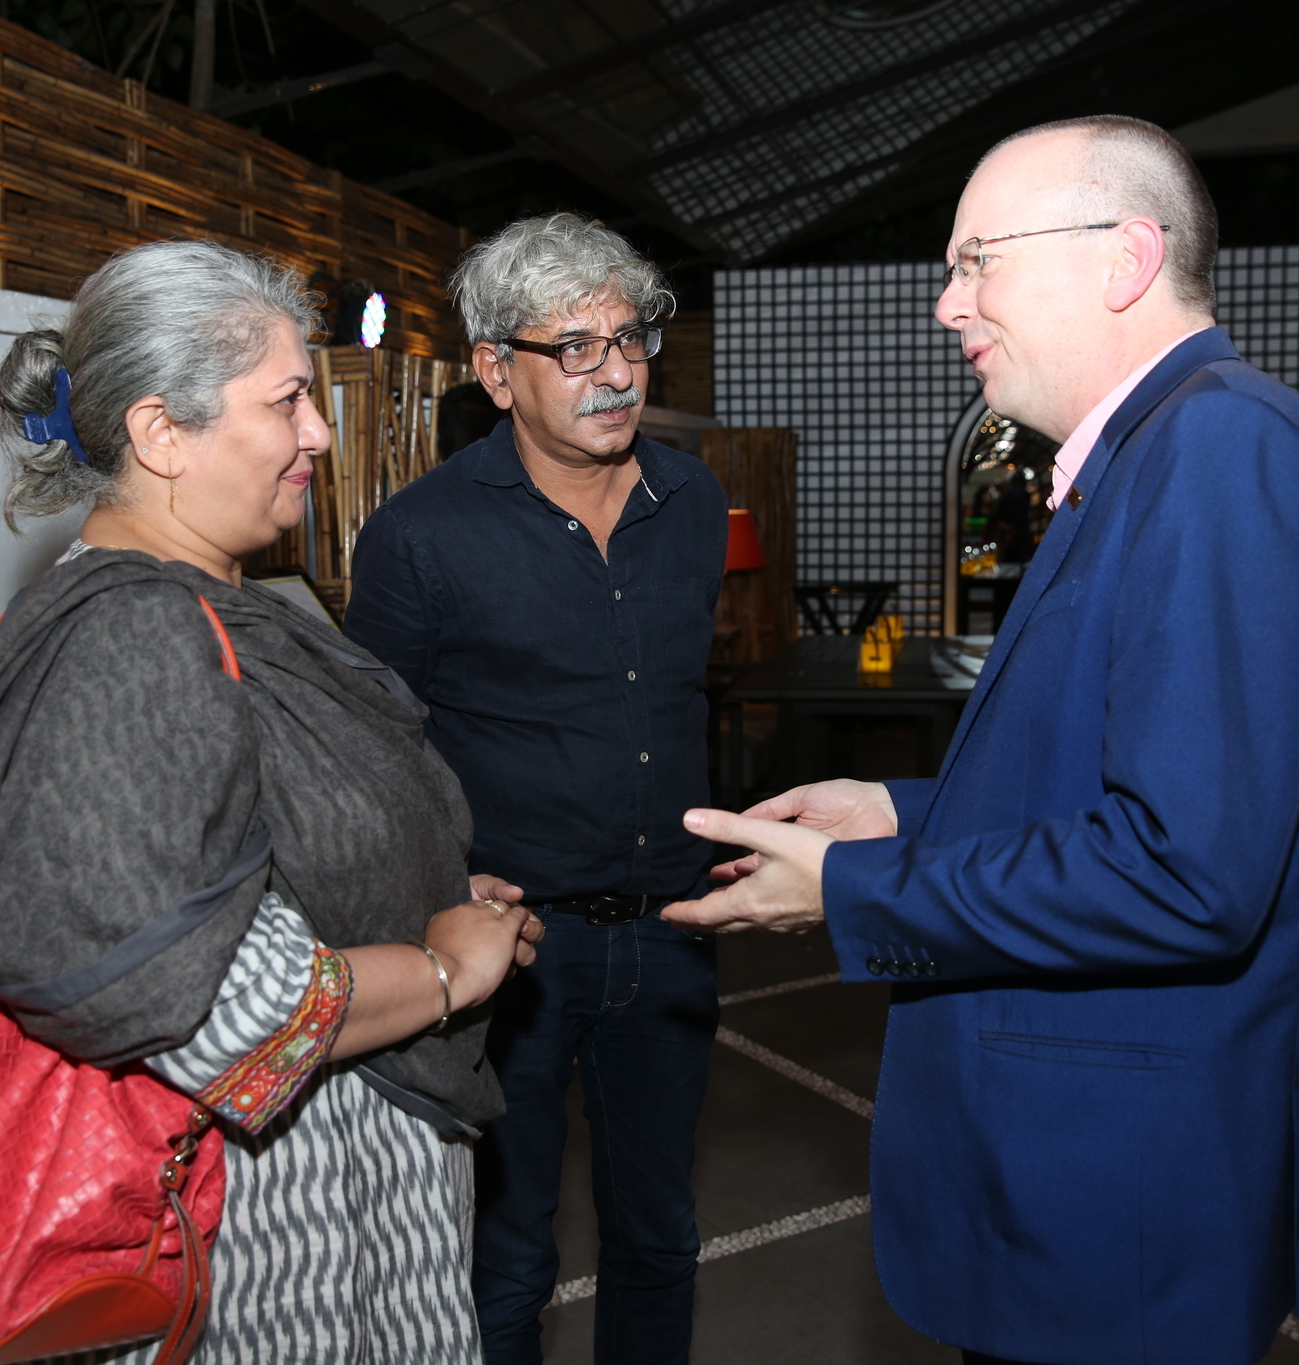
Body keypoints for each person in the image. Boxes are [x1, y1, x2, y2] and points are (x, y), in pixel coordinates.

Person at [664, 116, 1299, 1365]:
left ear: (1121, 258)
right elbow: (1120, 775)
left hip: (1121, 1183)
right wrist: (905, 812)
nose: (948, 305)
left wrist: (851, 888)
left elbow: (1184, 873)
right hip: (1101, 1161)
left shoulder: (1217, 450)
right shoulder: (1164, 449)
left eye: (976, 261)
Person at [0, 238, 542, 1364]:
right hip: (267, 1225)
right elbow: (175, 988)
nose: (317, 433)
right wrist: (447, 970)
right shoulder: (131, 636)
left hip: (332, 1185)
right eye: (290, 399)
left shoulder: (202, 606)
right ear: (163, 433)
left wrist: (425, 895)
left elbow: (255, 853)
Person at [343, 213, 726, 1365]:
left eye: (631, 338)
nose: (614, 372)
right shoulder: (418, 536)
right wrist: (445, 885)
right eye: (575, 348)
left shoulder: (693, 502)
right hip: (509, 948)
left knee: (659, 1235)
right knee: (503, 1253)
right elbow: (377, 750)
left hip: (672, 929)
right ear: (494, 371)